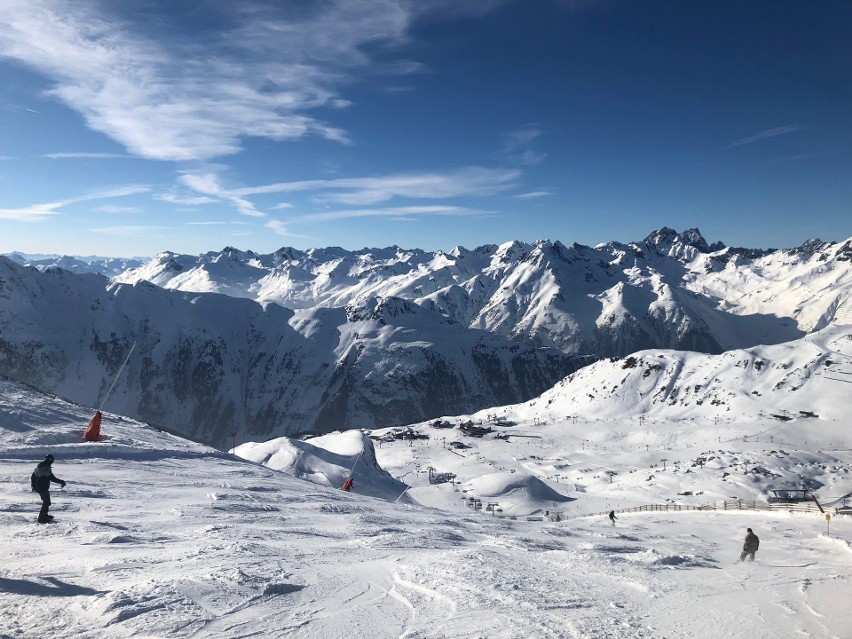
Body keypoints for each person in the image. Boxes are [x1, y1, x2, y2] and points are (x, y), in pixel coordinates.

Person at [31, 454, 66, 524]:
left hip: (40, 487)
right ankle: (42, 518)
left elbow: (33, 476)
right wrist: (61, 482)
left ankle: (44, 516)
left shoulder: (39, 466)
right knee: (46, 502)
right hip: (42, 487)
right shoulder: (45, 468)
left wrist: (33, 486)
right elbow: (52, 478)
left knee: (46, 502)